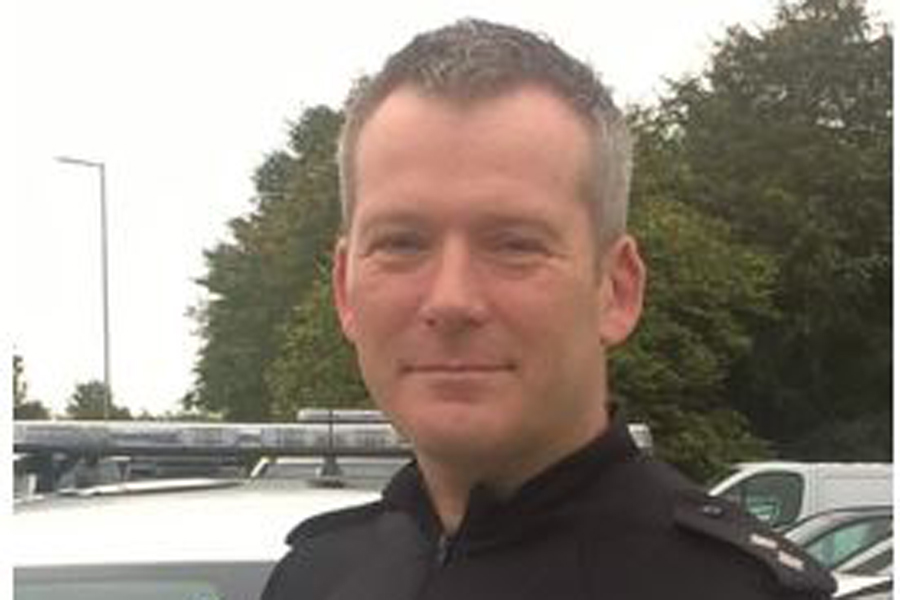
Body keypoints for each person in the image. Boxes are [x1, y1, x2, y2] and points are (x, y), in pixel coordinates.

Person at [262, 18, 835, 600]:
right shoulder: (312, 580)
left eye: (515, 245)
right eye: (402, 243)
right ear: (345, 290)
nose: (451, 300)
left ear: (616, 289)